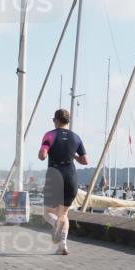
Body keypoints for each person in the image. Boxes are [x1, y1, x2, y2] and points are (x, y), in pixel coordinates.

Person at [38, 109, 88, 255]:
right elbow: (85, 160)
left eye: (54, 120)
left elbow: (42, 155)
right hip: (71, 176)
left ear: (57, 120)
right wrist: (74, 156)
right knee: (64, 214)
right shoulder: (76, 137)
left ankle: (55, 225)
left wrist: (43, 153)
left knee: (48, 213)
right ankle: (63, 246)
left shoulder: (50, 135)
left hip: (55, 175)